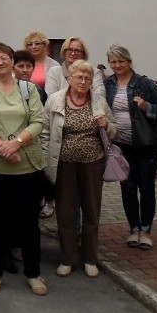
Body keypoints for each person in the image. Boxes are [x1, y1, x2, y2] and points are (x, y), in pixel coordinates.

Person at [0, 43, 47, 297]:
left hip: (27, 167)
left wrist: (15, 144)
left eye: (5, 57)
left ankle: (34, 273)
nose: (1, 62)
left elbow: (38, 120)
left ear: (13, 61)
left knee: (29, 223)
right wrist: (2, 146)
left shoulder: (29, 89)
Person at [41, 60, 115, 279]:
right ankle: (68, 258)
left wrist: (107, 125)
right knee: (66, 212)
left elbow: (114, 131)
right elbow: (45, 132)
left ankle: (90, 258)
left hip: (93, 162)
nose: (83, 81)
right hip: (63, 163)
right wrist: (46, 160)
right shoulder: (55, 100)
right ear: (69, 79)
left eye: (87, 78)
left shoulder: (99, 101)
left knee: (92, 210)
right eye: (79, 77)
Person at [105, 44, 157, 250]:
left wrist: (146, 106)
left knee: (146, 187)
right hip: (121, 145)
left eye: (120, 61)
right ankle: (133, 229)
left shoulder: (144, 83)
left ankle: (146, 230)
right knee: (128, 187)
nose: (117, 65)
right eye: (113, 62)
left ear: (129, 62)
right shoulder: (108, 84)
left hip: (144, 144)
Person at [14, 50, 54, 219]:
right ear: (13, 67)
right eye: (20, 66)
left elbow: (41, 119)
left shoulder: (37, 89)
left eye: (28, 66)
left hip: (33, 145)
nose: (24, 70)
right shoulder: (7, 88)